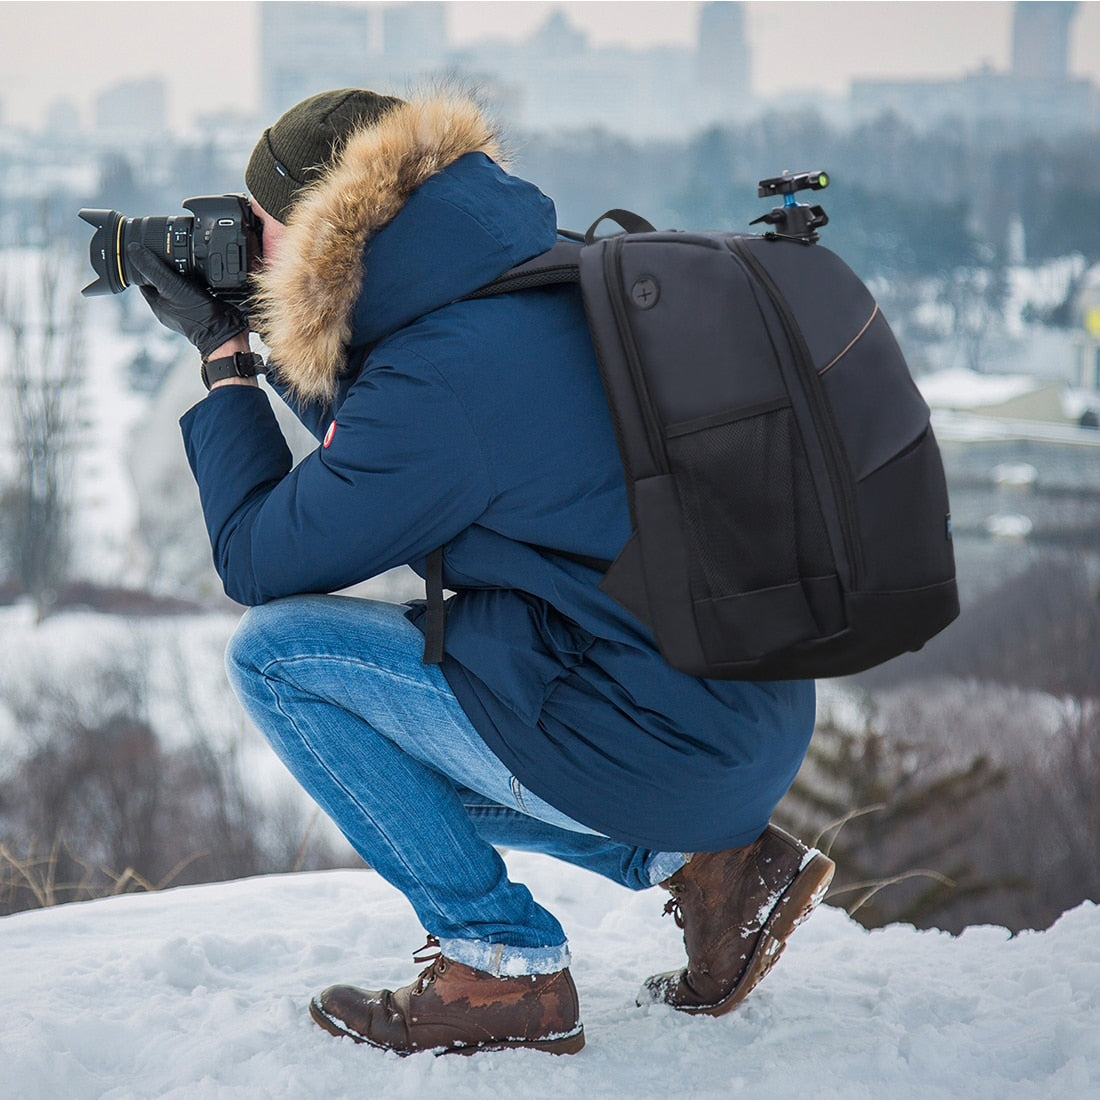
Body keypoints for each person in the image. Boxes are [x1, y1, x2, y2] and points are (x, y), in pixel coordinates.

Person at [128, 88, 835, 1057]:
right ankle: (709, 863)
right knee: (388, 772)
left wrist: (223, 360)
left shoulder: (438, 379)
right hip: (729, 712)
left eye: (256, 226)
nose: (247, 244)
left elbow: (260, 556)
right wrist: (271, 325)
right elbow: (387, 433)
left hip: (658, 728)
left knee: (281, 658)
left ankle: (501, 965)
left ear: (322, 222)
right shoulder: (534, 273)